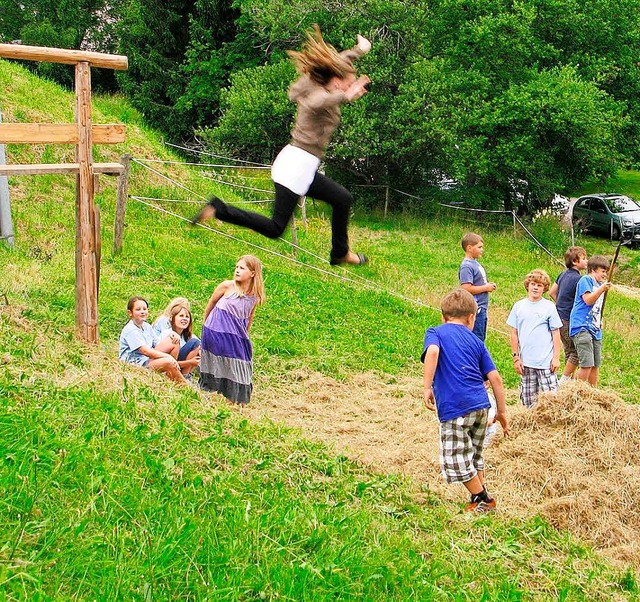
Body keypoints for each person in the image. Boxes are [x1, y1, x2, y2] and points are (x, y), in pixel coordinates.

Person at [192, 25, 371, 266]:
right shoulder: (316, 94)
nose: (348, 87)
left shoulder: (324, 83)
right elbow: (320, 101)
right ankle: (219, 209)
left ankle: (340, 253)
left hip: (302, 166)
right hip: (296, 166)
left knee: (342, 199)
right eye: (346, 83)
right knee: (276, 227)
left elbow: (337, 64)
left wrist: (358, 50)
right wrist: (345, 96)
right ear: (337, 82)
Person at [422, 288, 508, 513]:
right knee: (475, 454)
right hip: (481, 407)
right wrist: (501, 412)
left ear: (443, 316)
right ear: (472, 317)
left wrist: (427, 386)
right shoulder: (477, 342)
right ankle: (477, 497)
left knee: (455, 458)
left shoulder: (436, 332)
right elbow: (495, 379)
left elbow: (432, 353)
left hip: (456, 408)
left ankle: (483, 498)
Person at [200, 255, 266, 403]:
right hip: (216, 330)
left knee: (241, 362)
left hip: (236, 334)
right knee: (219, 359)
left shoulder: (254, 295)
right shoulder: (227, 286)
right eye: (236, 267)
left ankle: (235, 397)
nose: (237, 270)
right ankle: (212, 392)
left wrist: (245, 335)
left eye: (242, 268)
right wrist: (205, 324)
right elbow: (211, 302)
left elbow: (249, 315)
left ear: (253, 273)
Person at [507, 269, 563, 408]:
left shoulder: (549, 307)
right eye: (533, 284)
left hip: (545, 362)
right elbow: (514, 333)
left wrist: (556, 357)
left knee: (551, 400)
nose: (535, 288)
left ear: (544, 288)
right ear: (528, 285)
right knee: (528, 401)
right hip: (526, 362)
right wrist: (516, 357)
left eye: (539, 285)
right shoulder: (519, 306)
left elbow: (556, 334)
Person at [118, 296, 187, 384]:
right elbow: (145, 351)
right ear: (130, 313)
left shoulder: (146, 326)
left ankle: (170, 374)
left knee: (174, 341)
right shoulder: (130, 329)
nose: (142, 312)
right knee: (169, 362)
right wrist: (168, 357)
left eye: (144, 309)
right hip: (136, 363)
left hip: (147, 358)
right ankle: (184, 384)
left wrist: (171, 333)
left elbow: (158, 343)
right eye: (138, 309)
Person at [569, 255, 612, 387]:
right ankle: (577, 391)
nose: (605, 274)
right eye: (603, 271)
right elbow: (588, 300)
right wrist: (601, 289)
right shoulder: (585, 280)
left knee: (595, 364)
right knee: (586, 363)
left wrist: (600, 319)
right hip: (582, 327)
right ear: (593, 270)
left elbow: (596, 308)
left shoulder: (600, 285)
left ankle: (593, 392)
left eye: (606, 272)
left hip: (595, 329)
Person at [549, 246, 588, 382]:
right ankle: (563, 381)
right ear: (575, 262)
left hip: (558, 317)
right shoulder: (579, 280)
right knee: (576, 352)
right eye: (584, 258)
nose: (586, 261)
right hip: (568, 319)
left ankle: (569, 381)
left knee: (568, 350)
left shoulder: (563, 274)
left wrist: (560, 303)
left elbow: (552, 292)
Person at [459, 232, 497, 341]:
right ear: (469, 248)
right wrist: (486, 288)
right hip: (475, 309)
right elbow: (466, 288)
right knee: (476, 340)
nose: (482, 250)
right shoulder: (466, 266)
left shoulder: (475, 264)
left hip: (482, 308)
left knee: (481, 338)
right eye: (479, 247)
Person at [158, 303, 201, 381]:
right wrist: (190, 362)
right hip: (167, 366)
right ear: (173, 318)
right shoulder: (169, 335)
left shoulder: (186, 337)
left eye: (187, 317)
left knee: (198, 344)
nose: (184, 319)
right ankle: (184, 376)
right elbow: (171, 362)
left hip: (179, 365)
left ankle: (186, 375)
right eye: (181, 316)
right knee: (195, 343)